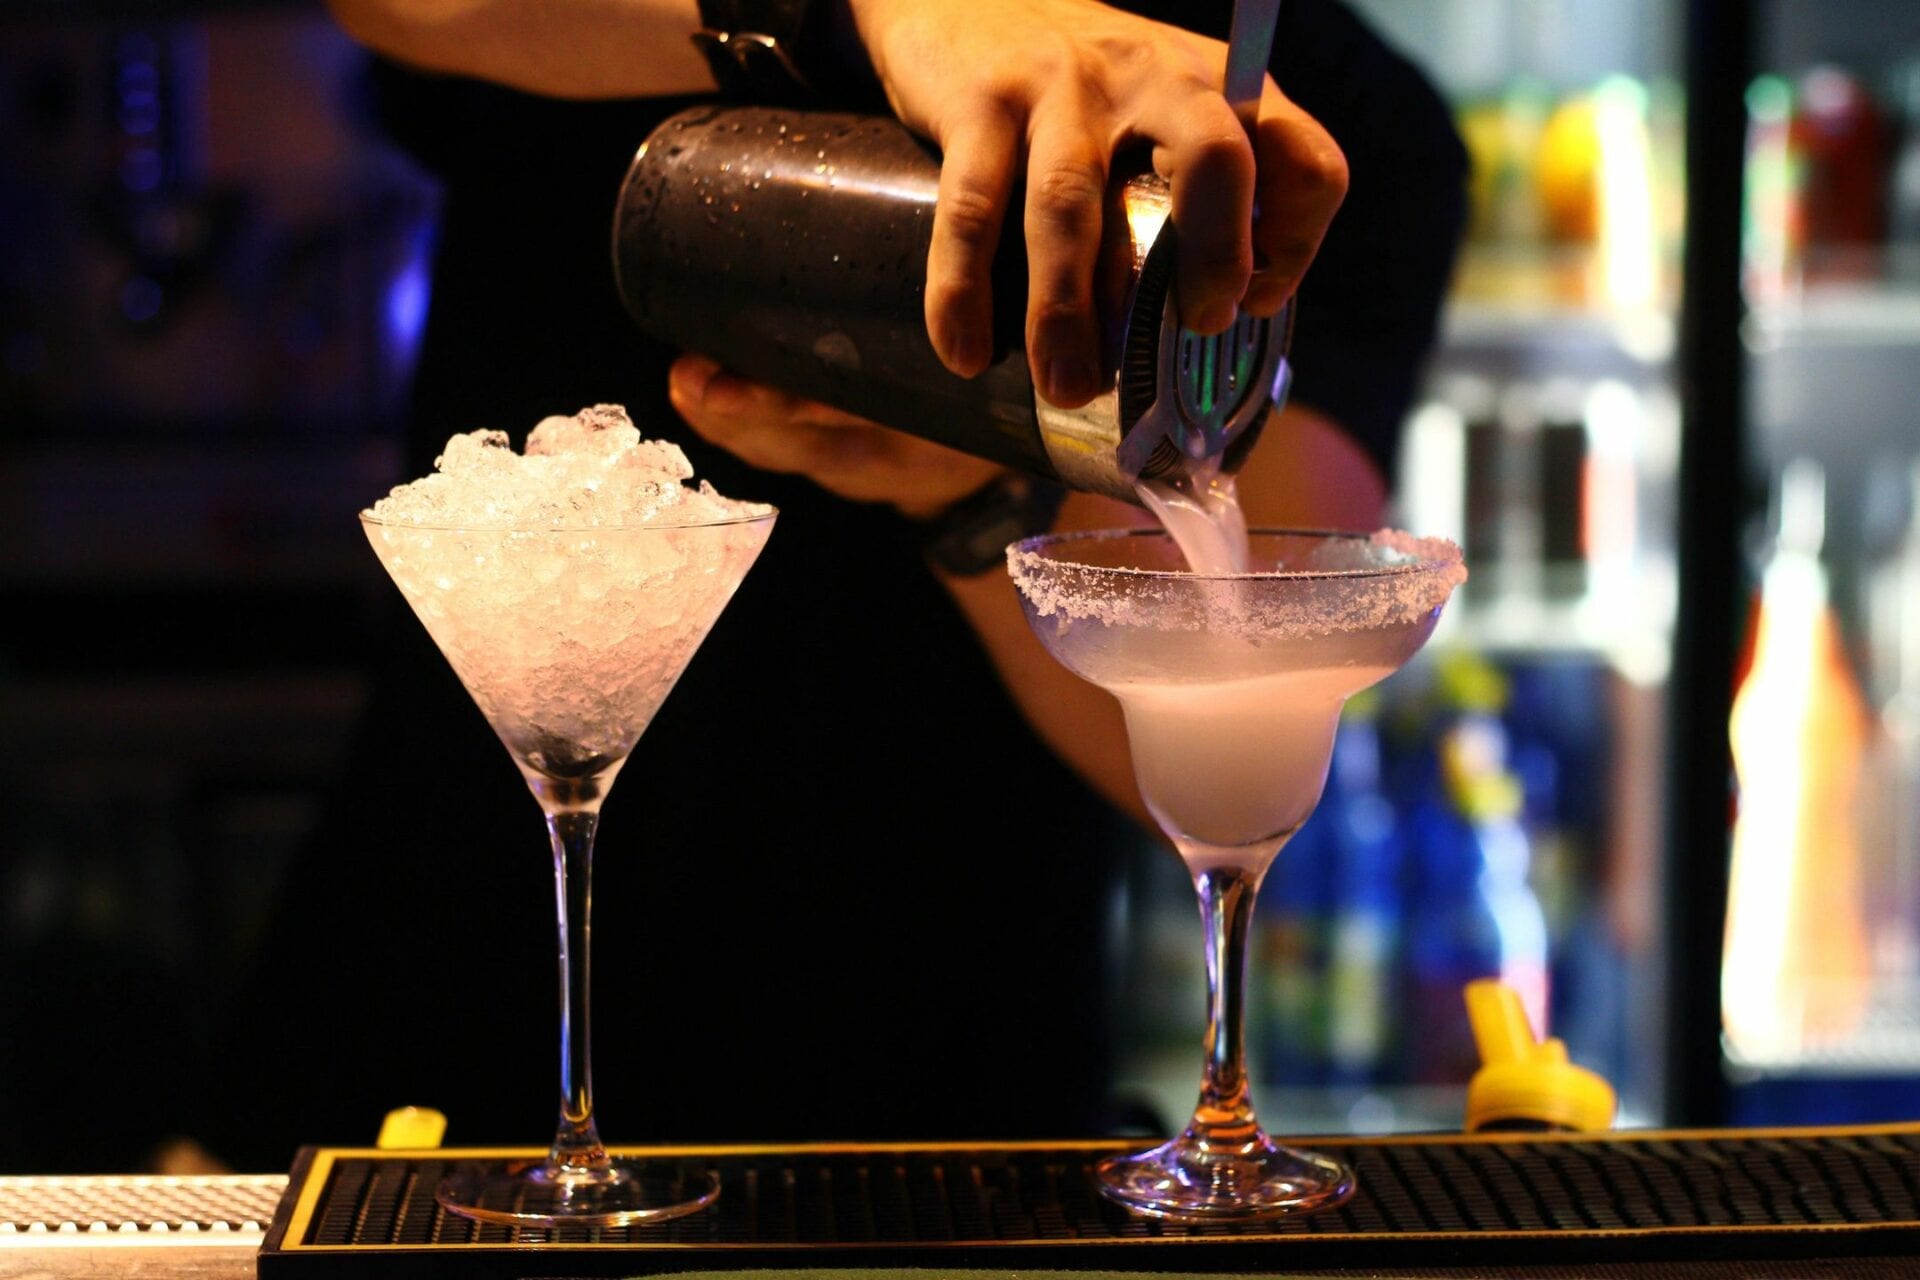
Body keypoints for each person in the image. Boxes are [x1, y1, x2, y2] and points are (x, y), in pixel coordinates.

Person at [201, 0, 1464, 1171]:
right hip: (458, 1026)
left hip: (945, 1109)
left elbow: (1249, 674)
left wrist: (969, 495)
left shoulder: (1310, 119)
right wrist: (872, 11)